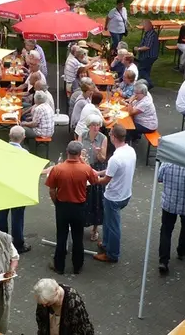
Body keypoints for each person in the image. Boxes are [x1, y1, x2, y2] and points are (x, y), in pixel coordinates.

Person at [45, 141, 99, 275]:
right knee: (78, 237)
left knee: (61, 236)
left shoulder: (57, 169)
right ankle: (77, 266)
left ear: (67, 152)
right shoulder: (85, 169)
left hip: (62, 206)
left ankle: (59, 266)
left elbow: (52, 190)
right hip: (79, 208)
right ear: (80, 154)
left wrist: (57, 203)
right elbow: (95, 181)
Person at [94, 125, 136, 263]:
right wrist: (98, 172)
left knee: (113, 226)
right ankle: (106, 244)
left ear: (113, 136)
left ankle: (112, 254)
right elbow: (111, 171)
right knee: (108, 221)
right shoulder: (130, 150)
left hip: (114, 196)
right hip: (125, 193)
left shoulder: (115, 158)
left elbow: (106, 180)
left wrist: (93, 179)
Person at [0, 126, 31, 253]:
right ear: (23, 137)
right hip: (18, 187)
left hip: (3, 186)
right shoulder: (24, 153)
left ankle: (1, 241)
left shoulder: (0, 150)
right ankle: (18, 244)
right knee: (17, 217)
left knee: (2, 214)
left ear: (9, 135)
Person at [78, 115, 108, 242]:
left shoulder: (103, 138)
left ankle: (95, 229)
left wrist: (98, 152)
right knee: (82, 197)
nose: (96, 127)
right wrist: (81, 156)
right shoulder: (82, 135)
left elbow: (103, 159)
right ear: (89, 126)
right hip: (84, 167)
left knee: (96, 200)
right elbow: (77, 154)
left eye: (98, 125)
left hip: (96, 168)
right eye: (94, 125)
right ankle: (80, 224)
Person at [134, 20, 160, 88]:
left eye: (145, 26)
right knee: (146, 70)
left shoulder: (151, 35)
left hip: (149, 55)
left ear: (149, 26)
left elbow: (147, 47)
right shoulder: (149, 33)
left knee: (141, 69)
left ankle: (149, 83)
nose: (144, 27)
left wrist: (138, 49)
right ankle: (146, 85)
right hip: (150, 55)